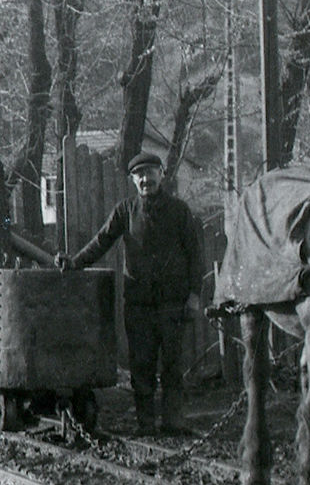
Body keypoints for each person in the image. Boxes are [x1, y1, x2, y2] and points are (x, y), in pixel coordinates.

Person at [56, 152, 203, 437]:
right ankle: (146, 424)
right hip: (139, 306)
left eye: (151, 173)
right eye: (140, 175)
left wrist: (194, 296)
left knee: (173, 367)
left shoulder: (180, 212)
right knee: (142, 367)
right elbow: (101, 242)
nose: (146, 179)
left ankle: (173, 422)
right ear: (133, 180)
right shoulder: (125, 211)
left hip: (173, 305)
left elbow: (196, 257)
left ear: (162, 174)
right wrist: (74, 263)